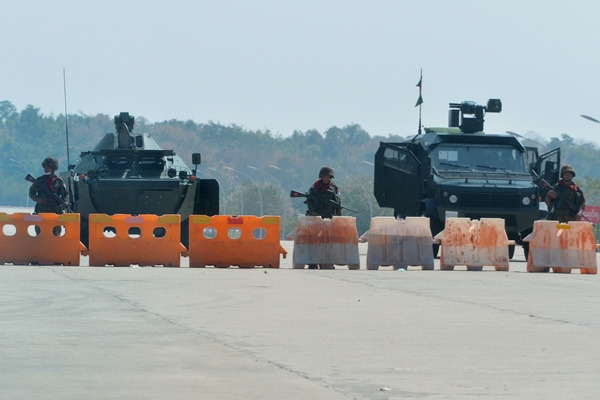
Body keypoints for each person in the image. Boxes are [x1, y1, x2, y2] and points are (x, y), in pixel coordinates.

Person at [305, 166, 342, 269]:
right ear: (321, 177)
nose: (326, 179)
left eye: (328, 177)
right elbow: (309, 201)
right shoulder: (315, 187)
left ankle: (327, 262)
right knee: (314, 240)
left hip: (329, 217)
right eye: (325, 176)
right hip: (316, 217)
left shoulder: (334, 188)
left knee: (329, 241)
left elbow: (338, 202)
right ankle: (313, 262)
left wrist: (339, 216)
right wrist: (312, 212)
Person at [28, 157, 69, 235]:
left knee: (56, 234)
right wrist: (38, 199)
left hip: (55, 211)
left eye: (48, 167)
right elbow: (31, 193)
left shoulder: (59, 182)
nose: (45, 169)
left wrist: (64, 203)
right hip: (41, 210)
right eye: (45, 167)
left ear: (53, 168)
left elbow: (65, 194)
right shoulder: (39, 181)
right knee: (40, 234)